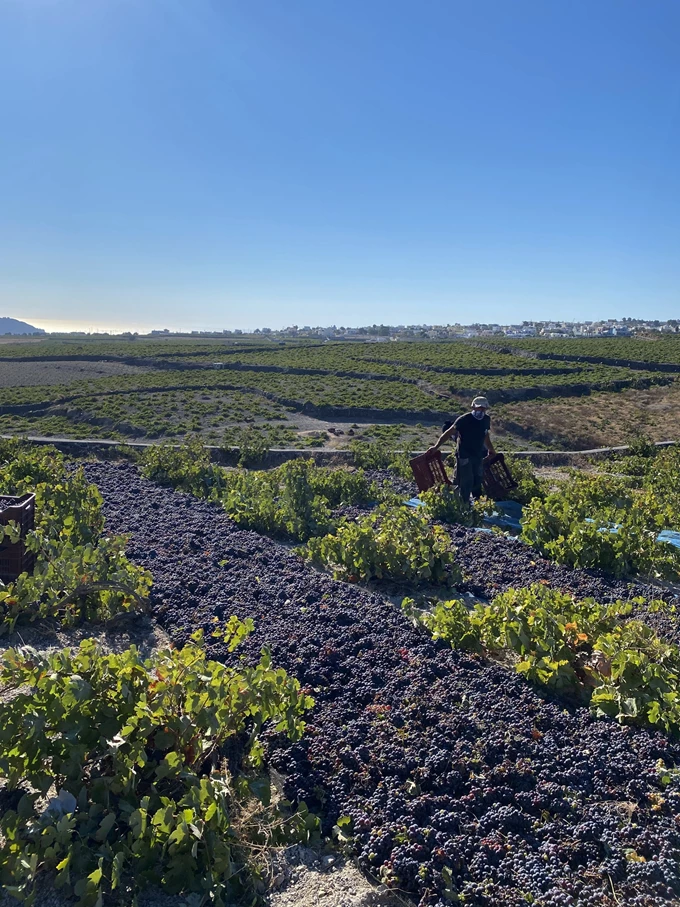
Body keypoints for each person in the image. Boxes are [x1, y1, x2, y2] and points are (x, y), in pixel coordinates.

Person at [428, 396, 495, 503]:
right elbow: (448, 433)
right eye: (479, 408)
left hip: (477, 455)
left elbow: (485, 436)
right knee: (466, 481)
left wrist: (491, 449)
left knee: (477, 480)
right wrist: (436, 447)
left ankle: (477, 504)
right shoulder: (464, 419)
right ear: (473, 407)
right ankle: (463, 505)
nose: (481, 410)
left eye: (483, 408)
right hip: (464, 455)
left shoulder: (486, 420)